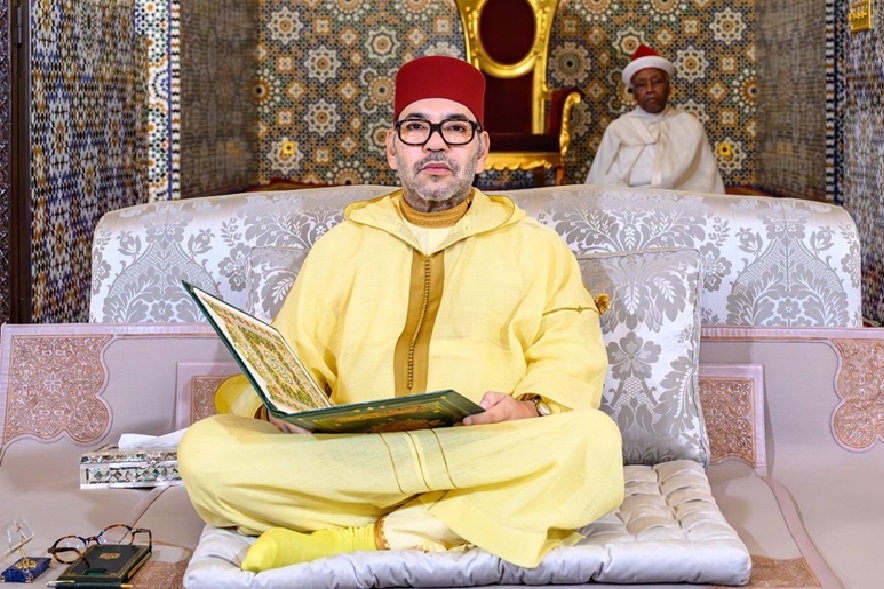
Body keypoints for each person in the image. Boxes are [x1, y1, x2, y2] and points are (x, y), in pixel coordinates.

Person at [177, 55, 623, 573]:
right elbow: (290, 360)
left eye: (455, 128)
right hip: (355, 458)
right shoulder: (342, 245)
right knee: (204, 451)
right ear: (393, 148)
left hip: (479, 451)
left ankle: (364, 536)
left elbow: (570, 357)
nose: (435, 144)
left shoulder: (536, 247)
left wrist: (522, 411)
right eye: (416, 128)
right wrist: (278, 408)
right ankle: (454, 521)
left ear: (481, 150)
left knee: (592, 443)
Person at [586, 44, 725, 194]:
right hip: (628, 202)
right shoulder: (619, 129)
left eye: (656, 81)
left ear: (668, 87)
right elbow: (603, 180)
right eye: (641, 85)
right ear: (633, 93)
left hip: (679, 202)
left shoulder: (690, 126)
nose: (650, 89)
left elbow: (705, 183)